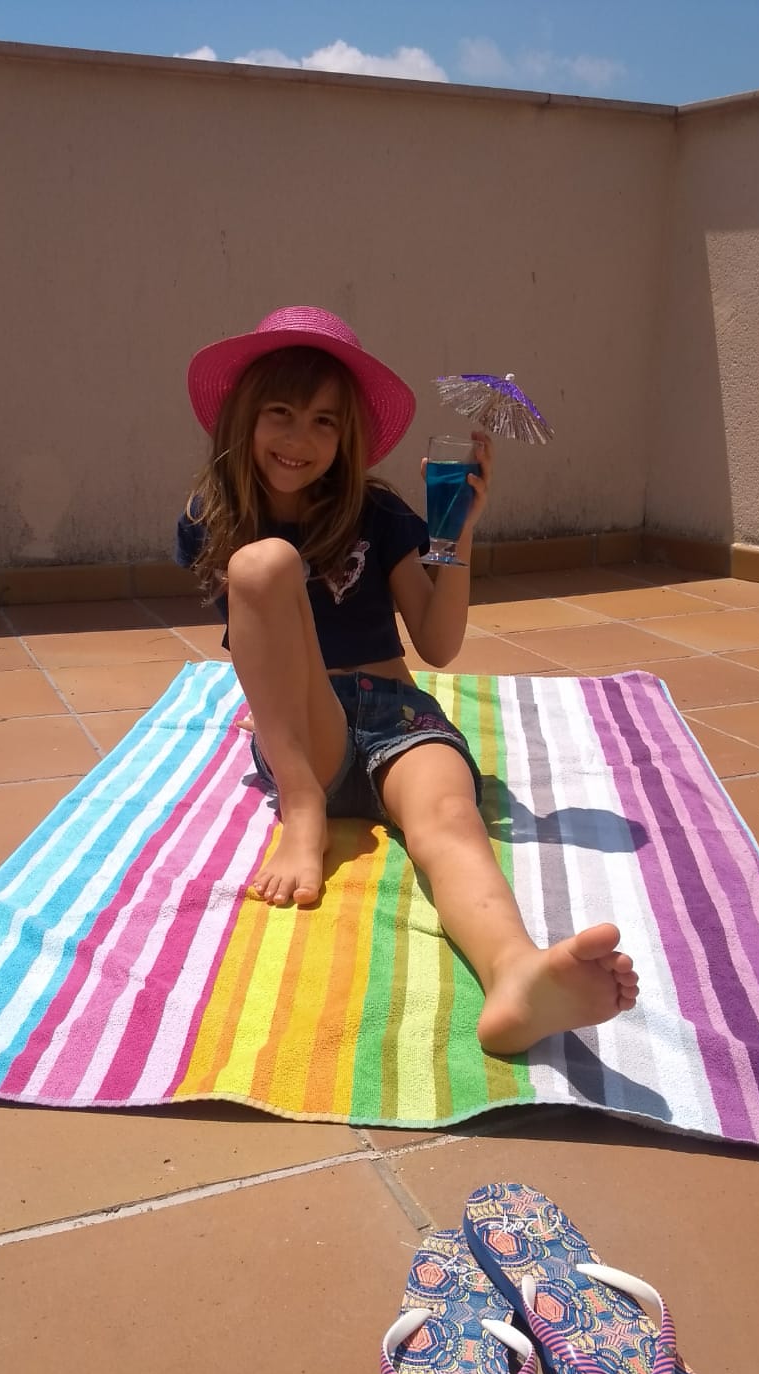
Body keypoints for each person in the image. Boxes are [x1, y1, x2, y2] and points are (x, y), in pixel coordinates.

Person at [177, 306, 638, 1054]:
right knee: (263, 565)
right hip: (308, 737)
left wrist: (456, 536)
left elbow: (439, 644)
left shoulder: (378, 512)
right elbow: (257, 645)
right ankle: (305, 813)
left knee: (450, 822)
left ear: (347, 436)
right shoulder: (213, 517)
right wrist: (281, 734)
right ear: (244, 417)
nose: (300, 439)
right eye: (280, 413)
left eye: (325, 422)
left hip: (397, 716)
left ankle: (517, 974)